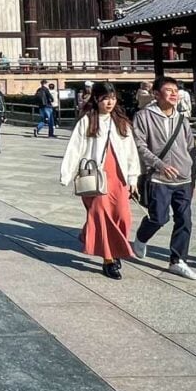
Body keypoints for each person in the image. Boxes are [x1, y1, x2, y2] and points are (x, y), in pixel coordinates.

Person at [59, 82, 141, 280]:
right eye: (105, 98)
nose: (109, 102)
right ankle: (109, 259)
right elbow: (75, 148)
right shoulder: (87, 121)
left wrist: (133, 177)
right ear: (96, 99)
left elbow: (131, 151)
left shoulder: (121, 121)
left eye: (112, 97)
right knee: (103, 216)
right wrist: (67, 174)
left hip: (119, 176)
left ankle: (102, 240)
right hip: (96, 177)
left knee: (123, 216)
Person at [131, 77, 196, 280]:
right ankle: (141, 238)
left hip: (183, 179)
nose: (173, 94)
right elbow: (140, 145)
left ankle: (178, 260)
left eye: (175, 90)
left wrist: (193, 178)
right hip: (158, 178)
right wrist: (159, 165)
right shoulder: (143, 116)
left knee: (185, 220)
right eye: (168, 90)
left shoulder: (182, 119)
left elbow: (190, 149)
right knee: (159, 217)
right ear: (156, 94)